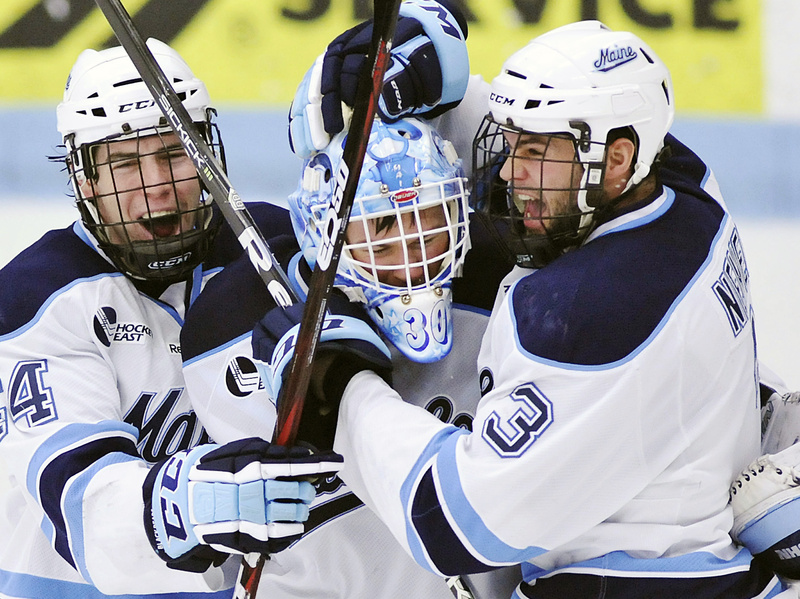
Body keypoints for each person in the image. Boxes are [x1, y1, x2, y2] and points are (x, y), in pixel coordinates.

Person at [276, 15, 795, 599]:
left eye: (535, 151)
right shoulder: (688, 193)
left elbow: (455, 525)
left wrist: (344, 391)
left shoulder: (583, 313)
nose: (507, 172)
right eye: (513, 142)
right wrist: (431, 74)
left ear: (618, 158)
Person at [0, 39, 343, 598]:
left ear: (208, 152)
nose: (156, 184)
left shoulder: (271, 250)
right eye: (126, 163)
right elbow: (85, 513)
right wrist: (191, 504)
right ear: (84, 181)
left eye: (174, 154)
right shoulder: (33, 301)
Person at [180, 115, 520, 598]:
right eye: (382, 224)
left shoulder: (504, 299)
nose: (414, 246)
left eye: (432, 214)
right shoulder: (227, 332)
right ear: (326, 238)